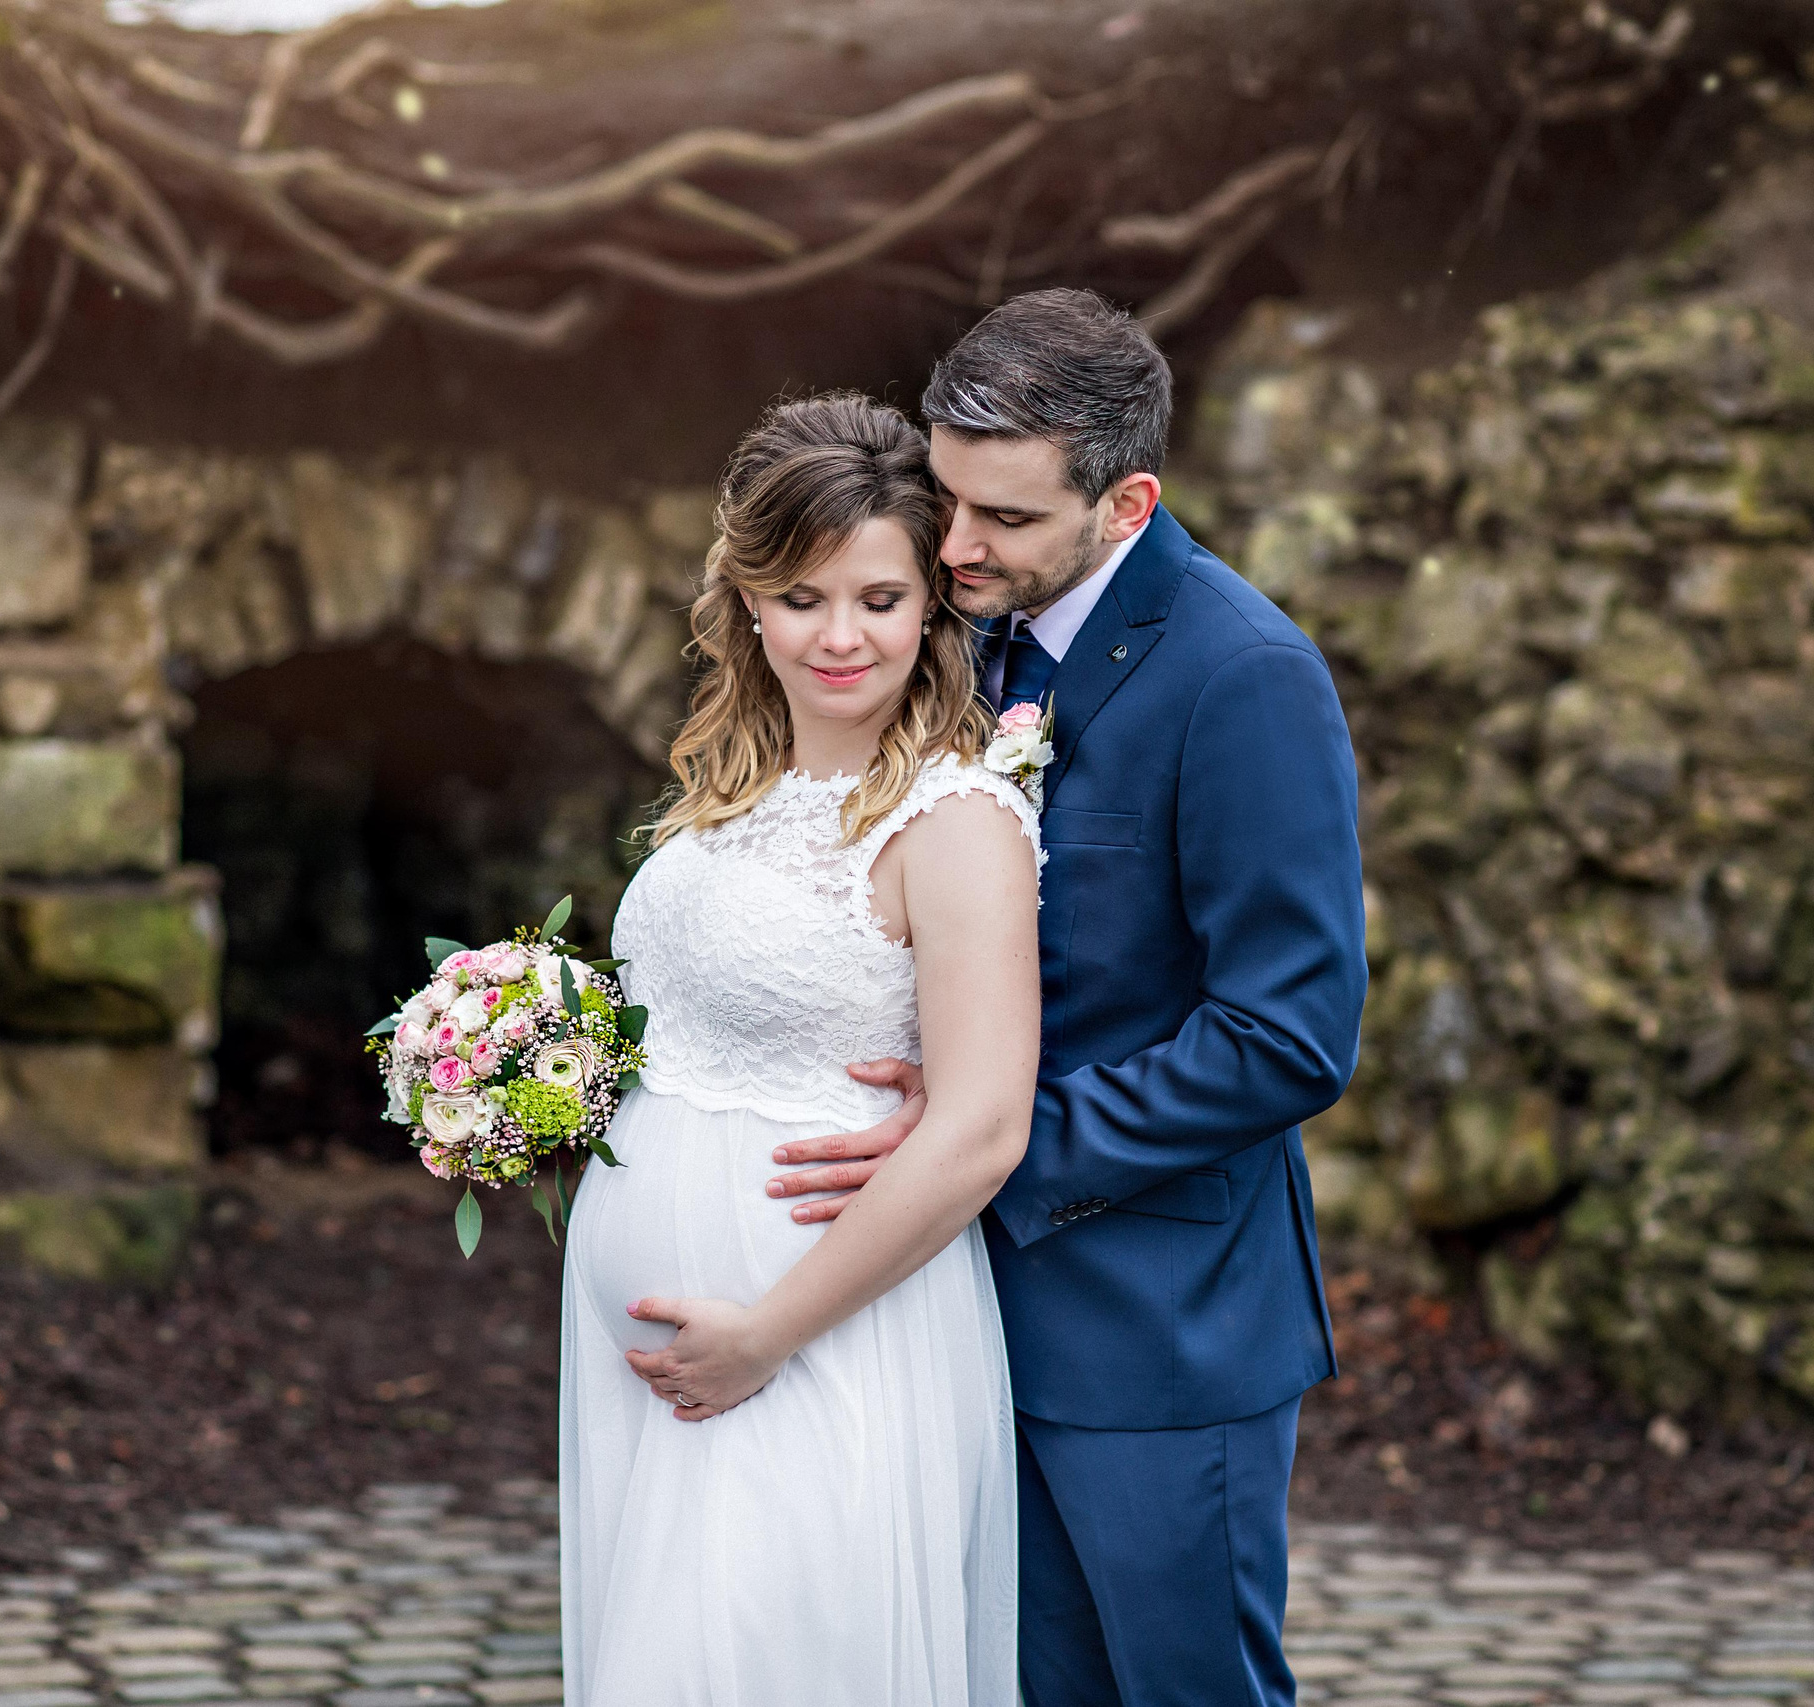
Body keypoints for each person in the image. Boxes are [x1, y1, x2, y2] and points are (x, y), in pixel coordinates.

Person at [766, 289, 1369, 1707]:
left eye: (1008, 519)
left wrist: (988, 1138)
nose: (957, 546)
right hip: (947, 1320)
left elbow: (1285, 1035)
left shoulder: (1246, 675)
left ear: (1128, 501)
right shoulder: (961, 630)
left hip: (1160, 1330)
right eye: (946, 497)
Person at [557, 392, 1041, 1706]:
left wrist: (767, 1333)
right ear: (748, 602)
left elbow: (984, 1130)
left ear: (931, 611)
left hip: (823, 1345)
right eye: (805, 596)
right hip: (668, 1375)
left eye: (880, 600)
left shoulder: (956, 824)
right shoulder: (729, 793)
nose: (841, 636)